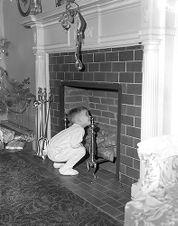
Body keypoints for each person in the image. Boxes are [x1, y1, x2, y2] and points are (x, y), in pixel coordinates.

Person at [46, 106, 91, 175]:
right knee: (82, 150)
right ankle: (65, 169)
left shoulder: (72, 128)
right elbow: (74, 144)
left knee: (71, 147)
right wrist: (81, 145)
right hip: (56, 154)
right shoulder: (80, 130)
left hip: (51, 152)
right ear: (79, 120)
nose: (90, 116)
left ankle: (58, 163)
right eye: (87, 115)